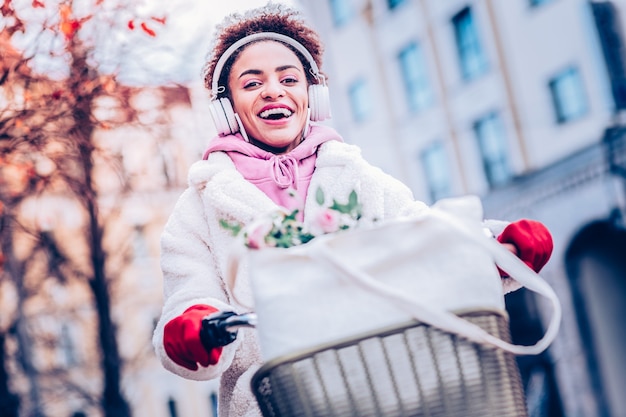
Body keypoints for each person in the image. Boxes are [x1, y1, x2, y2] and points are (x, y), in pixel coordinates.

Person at [152, 4, 554, 417]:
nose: (273, 90)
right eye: (252, 84)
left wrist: (495, 249)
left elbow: (427, 241)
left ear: (313, 95)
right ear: (227, 107)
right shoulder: (199, 207)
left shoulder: (359, 177)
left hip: (383, 392)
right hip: (273, 402)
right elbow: (190, 291)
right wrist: (192, 325)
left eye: (289, 78)